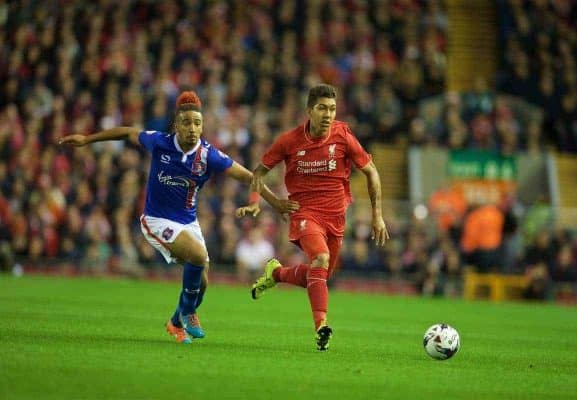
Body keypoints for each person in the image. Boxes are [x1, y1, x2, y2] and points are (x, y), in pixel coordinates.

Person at [59, 91, 299, 344]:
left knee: (203, 281)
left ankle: (175, 323)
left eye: (197, 123)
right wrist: (87, 139)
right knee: (197, 256)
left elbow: (251, 177)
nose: (192, 129)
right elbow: (127, 132)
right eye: (186, 123)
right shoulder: (160, 142)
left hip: (188, 222)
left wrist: (276, 204)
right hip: (156, 220)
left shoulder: (208, 155)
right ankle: (188, 312)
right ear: (176, 125)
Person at [241, 84, 389, 351]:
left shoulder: (343, 136)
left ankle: (276, 273)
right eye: (322, 108)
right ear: (309, 110)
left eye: (332, 109)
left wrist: (377, 216)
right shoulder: (289, 141)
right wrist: (268, 203)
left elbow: (372, 172)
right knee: (320, 258)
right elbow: (257, 174)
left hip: (336, 218)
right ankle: (322, 327)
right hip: (305, 214)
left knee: (319, 274)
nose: (328, 114)